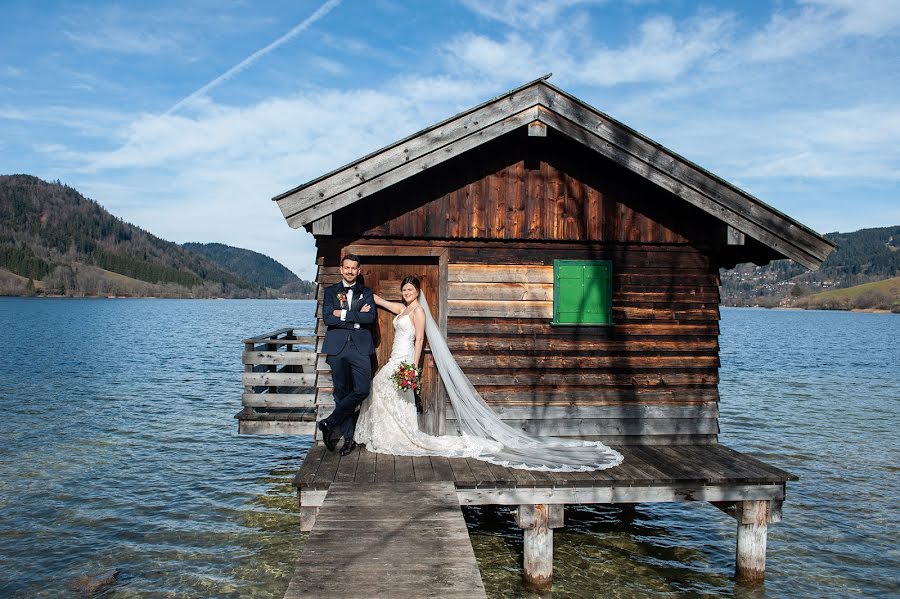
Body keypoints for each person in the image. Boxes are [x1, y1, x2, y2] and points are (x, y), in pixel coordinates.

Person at [354, 276, 624, 472]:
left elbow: (420, 339)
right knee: (379, 389)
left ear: (417, 292)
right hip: (393, 359)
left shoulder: (420, 312)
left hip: (404, 362)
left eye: (410, 290)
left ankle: (403, 435)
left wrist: (413, 368)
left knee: (389, 393)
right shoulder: (402, 309)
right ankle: (388, 433)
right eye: (404, 290)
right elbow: (379, 300)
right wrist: (361, 290)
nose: (406, 293)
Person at [318, 254, 376, 456]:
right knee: (341, 393)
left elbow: (369, 318)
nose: (350, 271)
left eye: (354, 268)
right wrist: (355, 317)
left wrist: (341, 314)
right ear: (341, 270)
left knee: (362, 389)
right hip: (337, 349)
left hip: (360, 348)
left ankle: (329, 422)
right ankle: (348, 439)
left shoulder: (366, 292)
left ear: (359, 271)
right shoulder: (330, 292)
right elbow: (327, 318)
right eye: (347, 267)